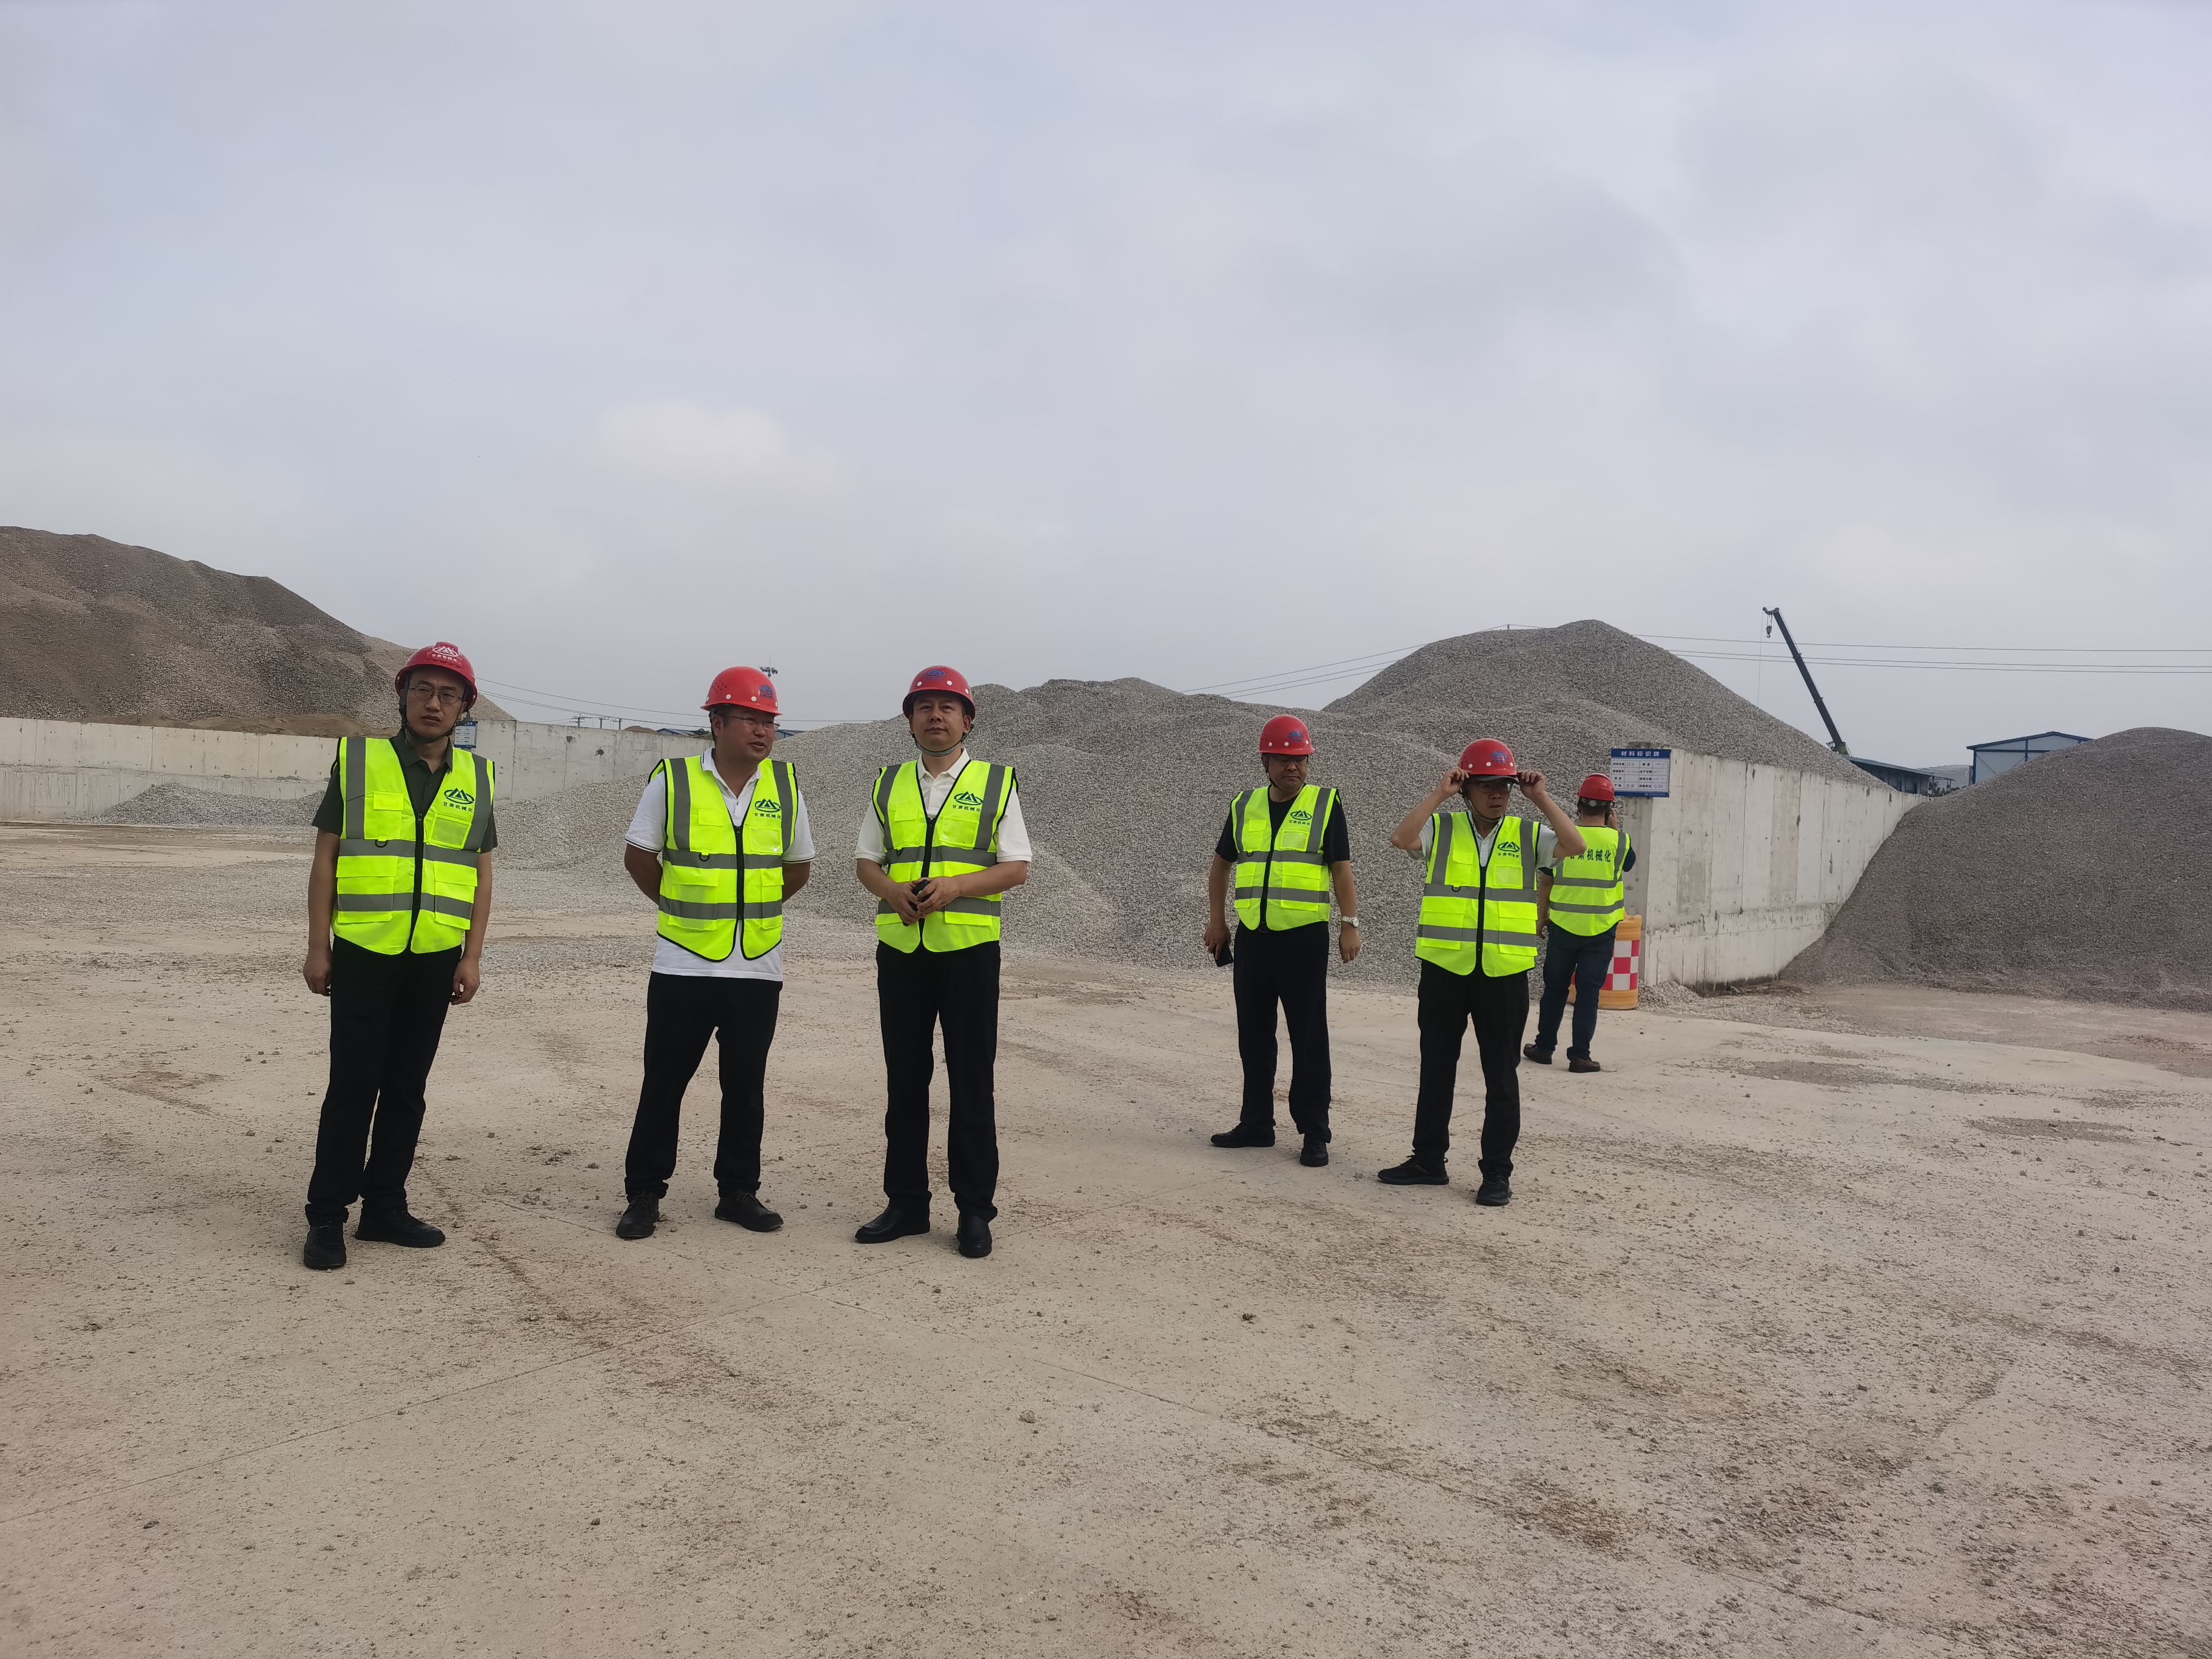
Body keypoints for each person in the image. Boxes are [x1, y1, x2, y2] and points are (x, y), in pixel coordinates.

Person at [300, 642, 495, 1271]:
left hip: (434, 955)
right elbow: (326, 859)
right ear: (403, 696)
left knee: (407, 1089)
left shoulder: (477, 778)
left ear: (464, 707)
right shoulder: (360, 762)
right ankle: (327, 1216)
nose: (434, 703)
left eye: (448, 694)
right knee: (353, 1086)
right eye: (423, 690)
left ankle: (385, 1206)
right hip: (364, 950)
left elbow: (481, 875)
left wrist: (472, 956)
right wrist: (318, 946)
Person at [614, 669, 814, 1241]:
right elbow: (639, 857)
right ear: (717, 723)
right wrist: (680, 908)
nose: (762, 731)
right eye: (750, 719)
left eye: (769, 721)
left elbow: (798, 868)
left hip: (757, 966)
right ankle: (644, 1194)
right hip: (684, 965)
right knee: (664, 1084)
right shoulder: (673, 781)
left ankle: (738, 1192)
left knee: (745, 1088)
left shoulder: (786, 786)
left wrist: (749, 913)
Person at [852, 665, 1030, 1259]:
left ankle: (974, 1211)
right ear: (909, 721)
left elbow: (1017, 867)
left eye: (947, 707)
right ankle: (906, 1204)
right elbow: (867, 861)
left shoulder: (997, 782)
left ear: (968, 721)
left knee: (972, 1084)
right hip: (902, 953)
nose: (935, 716)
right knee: (905, 1083)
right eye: (924, 707)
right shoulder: (888, 783)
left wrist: (955, 887)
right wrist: (889, 890)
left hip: (969, 954)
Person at [1378, 739, 1583, 1206]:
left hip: (1503, 974)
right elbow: (1401, 839)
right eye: (1487, 786)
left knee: (1501, 1077)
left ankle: (1496, 1174)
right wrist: (1440, 794)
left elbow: (1575, 844)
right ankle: (1428, 1161)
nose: (1497, 794)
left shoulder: (1529, 834)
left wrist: (1540, 798)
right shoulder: (1443, 827)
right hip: (1445, 970)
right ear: (1467, 787)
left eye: (1504, 787)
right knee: (1436, 1070)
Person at [1203, 714, 1359, 1167]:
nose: (1294, 767)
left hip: (1303, 939)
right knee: (1254, 1036)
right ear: (1265, 761)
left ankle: (1314, 1132)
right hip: (1254, 937)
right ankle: (1256, 1124)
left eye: (1301, 759)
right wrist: (1217, 921)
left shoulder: (1326, 804)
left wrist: (1349, 924)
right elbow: (1220, 866)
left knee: (1308, 1038)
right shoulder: (1244, 804)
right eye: (1284, 759)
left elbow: (1341, 870)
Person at [1525, 773, 1637, 1075]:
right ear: (1609, 809)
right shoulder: (1620, 842)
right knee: (1588, 994)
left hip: (1563, 928)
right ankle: (1580, 1057)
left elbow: (1546, 882)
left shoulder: (1564, 838)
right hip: (1601, 931)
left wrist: (1541, 917)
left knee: (1555, 990)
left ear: (1578, 806)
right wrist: (1615, 829)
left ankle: (1544, 1049)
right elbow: (1628, 864)